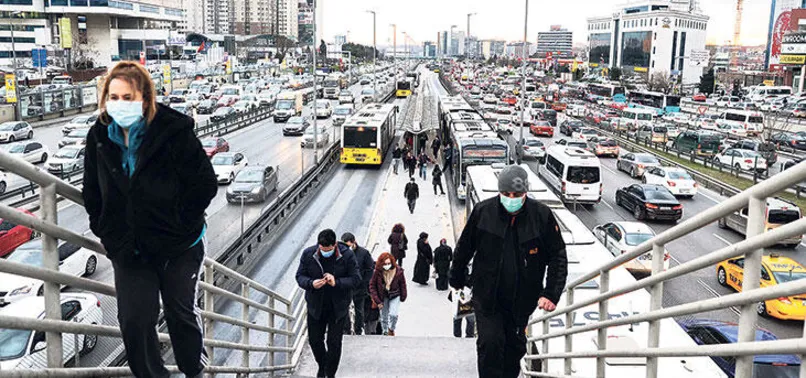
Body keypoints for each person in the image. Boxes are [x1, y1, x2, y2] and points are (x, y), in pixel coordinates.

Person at [82, 61, 217, 378]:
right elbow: (92, 194)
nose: (119, 104)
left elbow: (204, 185)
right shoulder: (99, 136)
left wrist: (178, 226)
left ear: (145, 98)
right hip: (130, 248)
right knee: (134, 321)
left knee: (179, 312)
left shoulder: (173, 131)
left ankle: (192, 369)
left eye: (127, 97)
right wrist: (109, 234)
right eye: (113, 97)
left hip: (179, 246)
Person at [450, 165, 568, 378]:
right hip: (487, 297)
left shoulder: (541, 216)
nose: (511, 198)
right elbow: (465, 247)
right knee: (490, 343)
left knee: (514, 349)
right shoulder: (483, 212)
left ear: (526, 193)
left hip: (522, 300)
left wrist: (551, 293)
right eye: (506, 194)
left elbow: (558, 256)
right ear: (499, 192)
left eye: (516, 194)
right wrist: (456, 278)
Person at [296, 229, 361, 378]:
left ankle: (329, 374)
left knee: (334, 343)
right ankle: (323, 365)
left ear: (334, 245)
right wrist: (311, 283)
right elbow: (300, 276)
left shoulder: (347, 255)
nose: (324, 252)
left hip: (337, 307)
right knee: (314, 340)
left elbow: (356, 279)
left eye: (328, 250)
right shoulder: (308, 254)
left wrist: (336, 282)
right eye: (322, 249)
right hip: (315, 306)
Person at [341, 232, 375, 335]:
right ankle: (346, 329)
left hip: (360, 287)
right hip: (346, 286)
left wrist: (363, 281)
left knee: (359, 309)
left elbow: (370, 268)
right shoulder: (342, 253)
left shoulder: (364, 253)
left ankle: (358, 329)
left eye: (348, 245)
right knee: (344, 308)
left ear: (354, 242)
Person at [369, 252, 408, 336]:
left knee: (393, 314)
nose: (387, 265)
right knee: (384, 316)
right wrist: (377, 301)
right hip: (383, 296)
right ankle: (385, 331)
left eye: (389, 263)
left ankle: (391, 329)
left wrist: (403, 295)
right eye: (385, 264)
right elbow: (372, 286)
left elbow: (403, 284)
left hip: (395, 294)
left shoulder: (398, 271)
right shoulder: (377, 272)